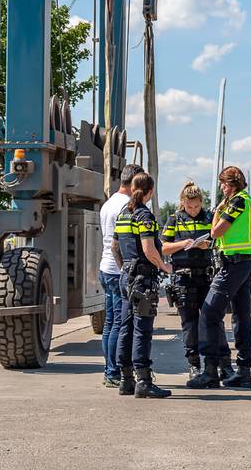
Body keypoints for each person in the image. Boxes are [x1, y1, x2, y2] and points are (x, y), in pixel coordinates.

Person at [187, 166, 251, 390]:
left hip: (233, 265)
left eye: (223, 184)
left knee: (209, 313)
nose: (221, 188)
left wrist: (218, 210)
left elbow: (216, 232)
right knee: (241, 316)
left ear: (232, 184)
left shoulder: (237, 203)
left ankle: (210, 371)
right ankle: (244, 371)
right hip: (245, 264)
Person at [114, 170, 174, 399]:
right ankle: (144, 381)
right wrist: (164, 267)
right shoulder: (144, 216)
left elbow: (114, 247)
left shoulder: (123, 214)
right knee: (142, 330)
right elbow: (149, 249)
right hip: (142, 279)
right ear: (150, 191)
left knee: (125, 327)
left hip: (125, 276)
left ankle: (125, 380)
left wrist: (125, 268)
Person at [159, 181, 224, 385]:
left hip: (206, 276)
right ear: (182, 203)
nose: (193, 210)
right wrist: (183, 244)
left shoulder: (208, 217)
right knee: (190, 323)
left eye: (196, 206)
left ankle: (217, 363)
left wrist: (207, 245)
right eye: (189, 207)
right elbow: (164, 247)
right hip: (183, 277)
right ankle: (194, 364)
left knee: (213, 319)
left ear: (201, 203)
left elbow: (218, 240)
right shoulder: (174, 219)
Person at [99, 163, 142, 387]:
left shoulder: (108, 204)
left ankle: (109, 369)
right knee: (120, 323)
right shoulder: (127, 206)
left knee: (110, 323)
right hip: (119, 270)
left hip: (106, 268)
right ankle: (113, 372)